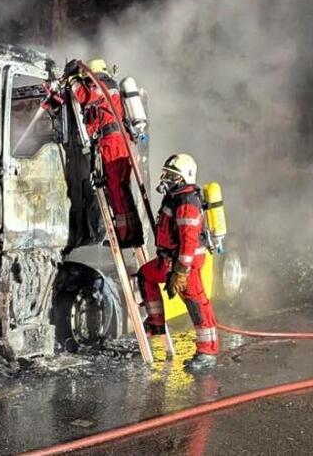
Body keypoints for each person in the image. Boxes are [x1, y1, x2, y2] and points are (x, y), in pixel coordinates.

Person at [48, 58, 144, 248]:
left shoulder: (101, 83)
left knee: (117, 190)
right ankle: (130, 232)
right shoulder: (105, 85)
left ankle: (128, 235)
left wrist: (74, 80)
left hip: (113, 142)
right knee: (118, 190)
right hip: (111, 142)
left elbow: (86, 97)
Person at [138, 154, 219, 372]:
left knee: (196, 304)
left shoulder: (186, 203)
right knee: (145, 275)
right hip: (169, 261)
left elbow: (189, 242)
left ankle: (207, 353)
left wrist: (181, 272)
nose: (165, 178)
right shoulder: (175, 197)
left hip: (186, 264)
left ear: (183, 178)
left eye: (170, 175)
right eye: (165, 173)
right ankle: (155, 323)